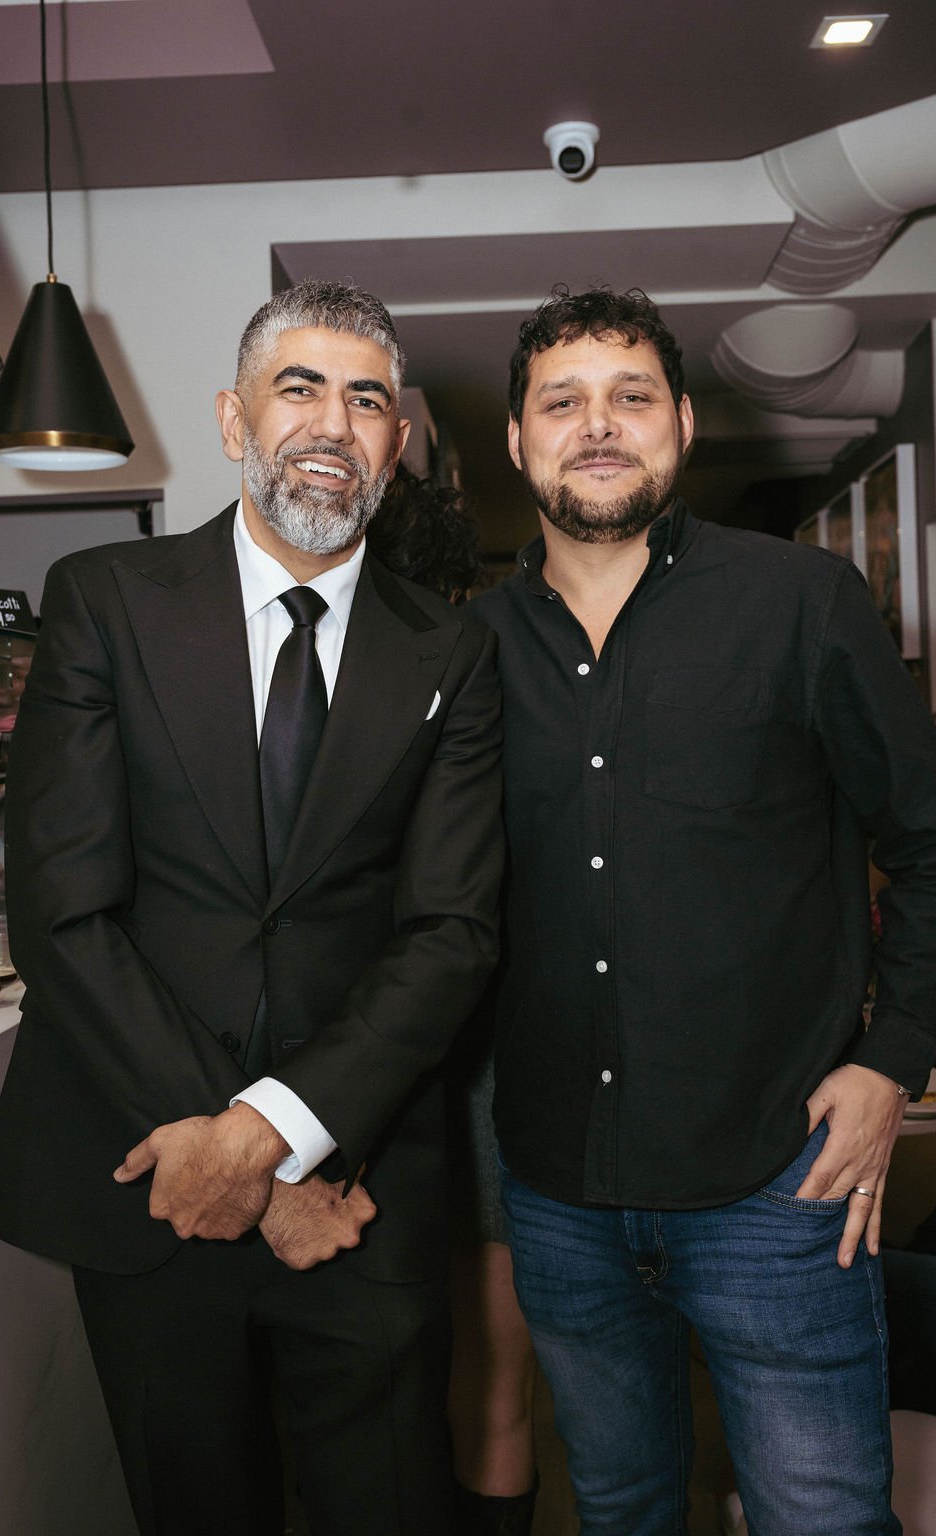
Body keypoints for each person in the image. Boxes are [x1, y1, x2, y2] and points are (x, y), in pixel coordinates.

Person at [0, 280, 503, 1536]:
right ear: (232, 420)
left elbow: (451, 932)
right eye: (298, 388)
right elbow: (65, 912)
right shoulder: (103, 598)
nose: (333, 422)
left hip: (361, 1192)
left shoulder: (454, 652)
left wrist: (277, 1136)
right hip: (146, 1172)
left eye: (366, 399)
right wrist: (249, 1172)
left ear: (397, 446)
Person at [471, 285, 936, 1535]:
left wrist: (889, 1058)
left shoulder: (802, 605)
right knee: (621, 1502)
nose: (599, 426)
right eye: (562, 402)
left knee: (821, 1514)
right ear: (518, 442)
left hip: (778, 1185)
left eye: (630, 398)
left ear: (682, 425)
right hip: (556, 1190)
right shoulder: (463, 649)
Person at [368, 470, 539, 1535]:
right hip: (478, 1063)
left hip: (360, 1073)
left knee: (378, 1389)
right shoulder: (499, 674)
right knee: (490, 1388)